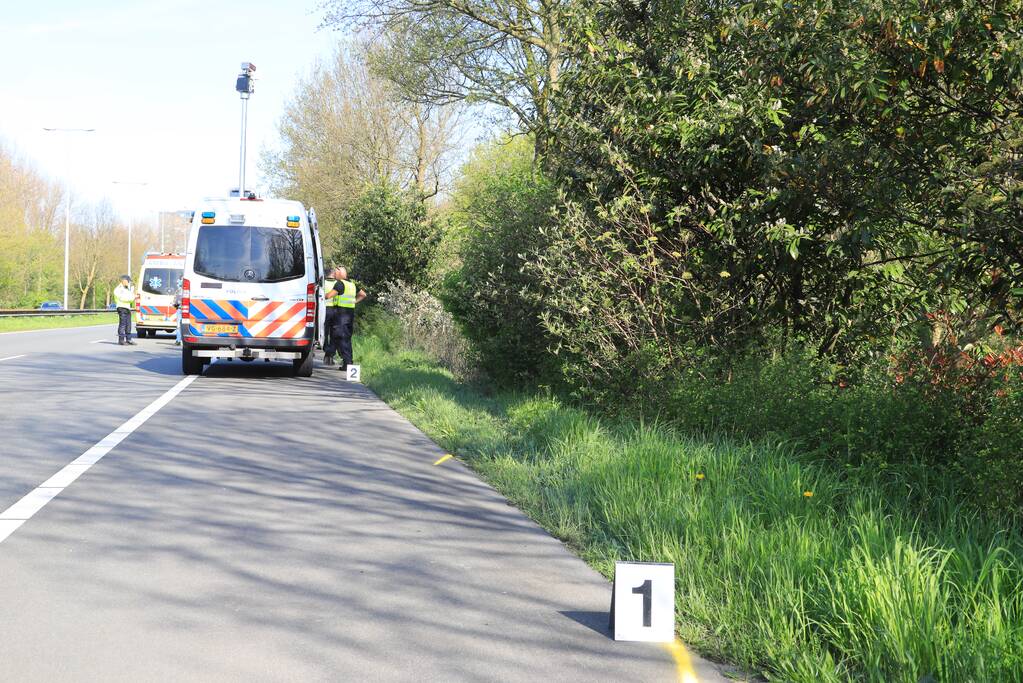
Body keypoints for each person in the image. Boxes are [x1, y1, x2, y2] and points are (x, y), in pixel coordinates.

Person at [322, 266, 367, 372]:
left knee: (341, 338)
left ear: (341, 274)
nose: (334, 275)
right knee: (346, 339)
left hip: (340, 316)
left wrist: (318, 295)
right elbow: (363, 295)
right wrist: (353, 302)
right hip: (349, 315)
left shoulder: (340, 284)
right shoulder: (352, 284)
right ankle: (347, 362)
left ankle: (347, 362)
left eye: (336, 273)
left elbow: (329, 296)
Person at [321, 268, 341, 365]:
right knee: (334, 333)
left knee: (324, 332)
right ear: (333, 274)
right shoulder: (338, 283)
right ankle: (330, 354)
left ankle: (326, 349)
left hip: (324, 310)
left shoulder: (323, 283)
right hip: (335, 310)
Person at [113, 274, 136, 345]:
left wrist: (132, 293)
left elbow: (132, 298)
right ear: (124, 281)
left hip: (127, 308)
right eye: (128, 281)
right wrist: (132, 297)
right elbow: (124, 298)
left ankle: (128, 339)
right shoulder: (118, 289)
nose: (129, 283)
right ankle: (121, 340)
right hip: (121, 308)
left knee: (128, 324)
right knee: (122, 324)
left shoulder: (126, 289)